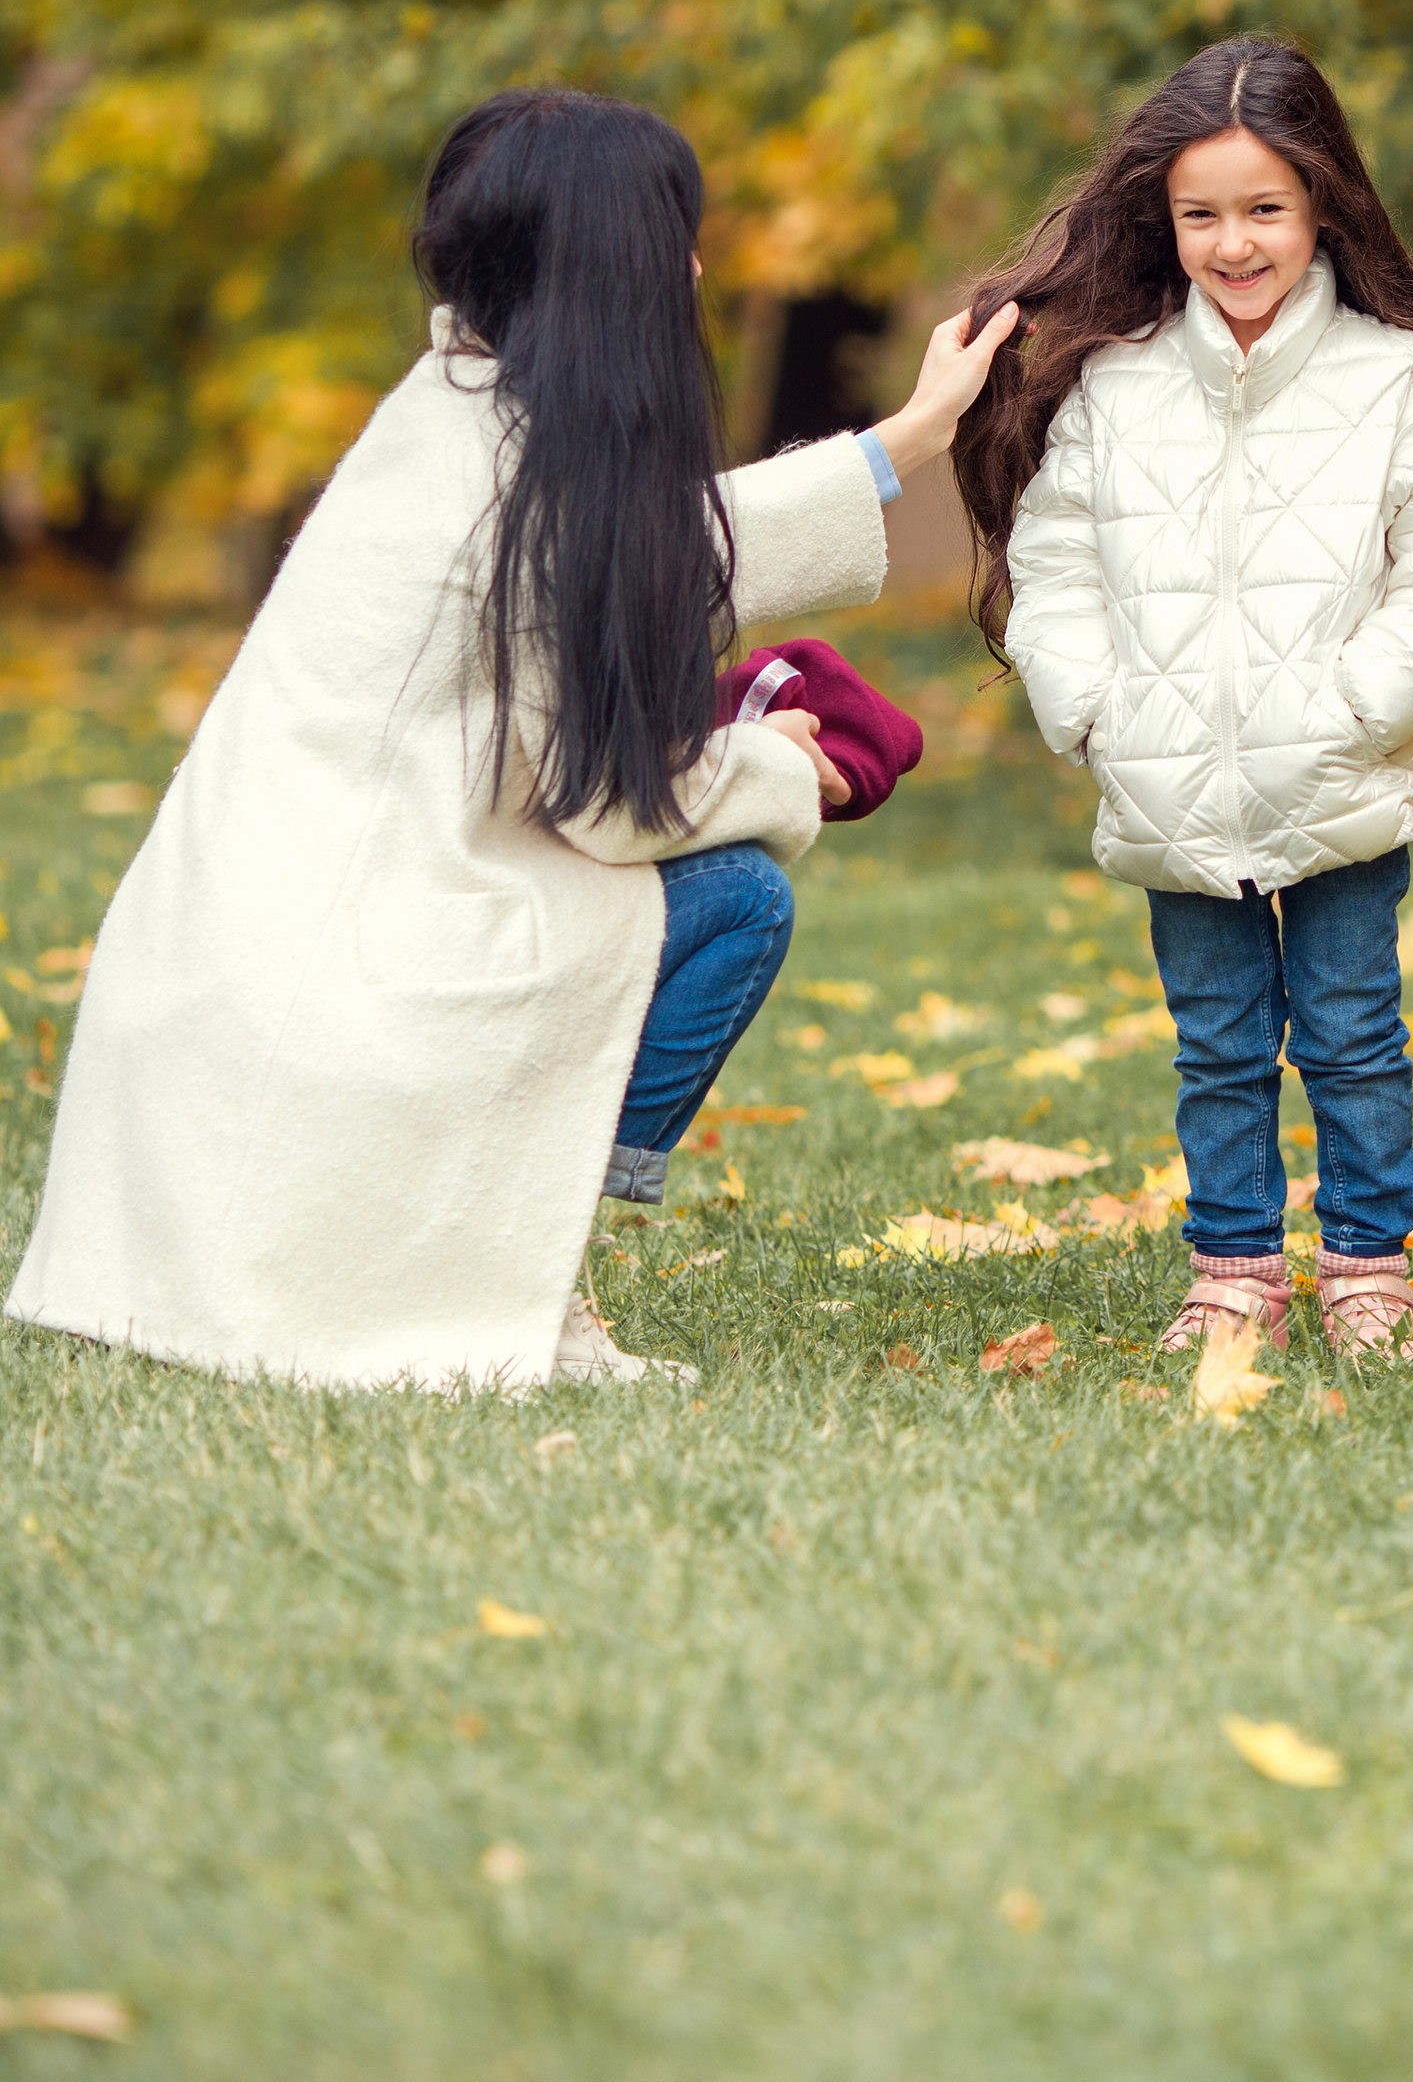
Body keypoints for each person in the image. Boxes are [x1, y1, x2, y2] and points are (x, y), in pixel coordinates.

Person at [4, 88, 1015, 1394]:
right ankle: (525, 1271)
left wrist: (909, 439)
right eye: (677, 241)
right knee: (736, 899)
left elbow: (649, 544)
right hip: (326, 1018)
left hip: (220, 1004)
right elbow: (606, 809)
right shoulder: (519, 491)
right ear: (615, 271)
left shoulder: (450, 405)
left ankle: (509, 1251)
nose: (698, 270)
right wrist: (783, 768)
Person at [955, 37, 1413, 1366]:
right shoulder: (1120, 382)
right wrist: (1091, 710)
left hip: (1338, 775)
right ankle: (1235, 1274)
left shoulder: (1392, 381)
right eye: (1200, 214)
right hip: (1168, 778)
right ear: (1166, 219)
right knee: (1214, 1044)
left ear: (1323, 204)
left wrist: (1358, 708)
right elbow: (1055, 559)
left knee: (1350, 1035)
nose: (1233, 243)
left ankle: (1368, 1270)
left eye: (1264, 208)